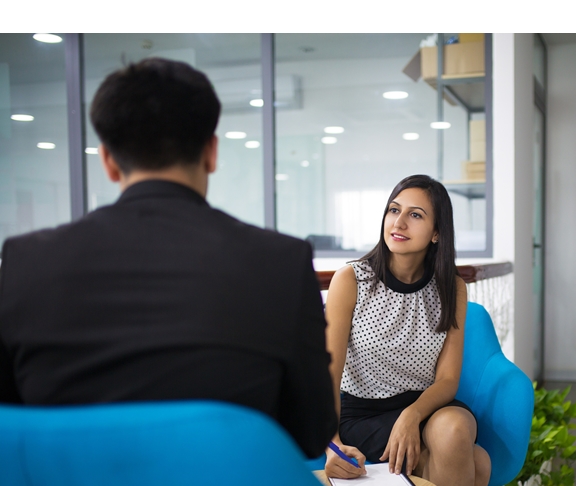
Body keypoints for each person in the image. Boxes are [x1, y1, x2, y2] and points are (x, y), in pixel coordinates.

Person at [0, 57, 336, 459]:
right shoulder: (281, 262)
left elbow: (11, 427)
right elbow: (311, 432)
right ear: (211, 152)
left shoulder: (23, 262)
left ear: (108, 161)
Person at [324, 174, 492, 486]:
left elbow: (447, 379)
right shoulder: (351, 280)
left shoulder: (451, 287)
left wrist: (411, 416)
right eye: (393, 210)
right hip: (363, 414)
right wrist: (332, 446)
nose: (398, 223)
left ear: (437, 233)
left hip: (426, 408)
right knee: (478, 463)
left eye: (415, 215)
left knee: (454, 430)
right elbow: (327, 375)